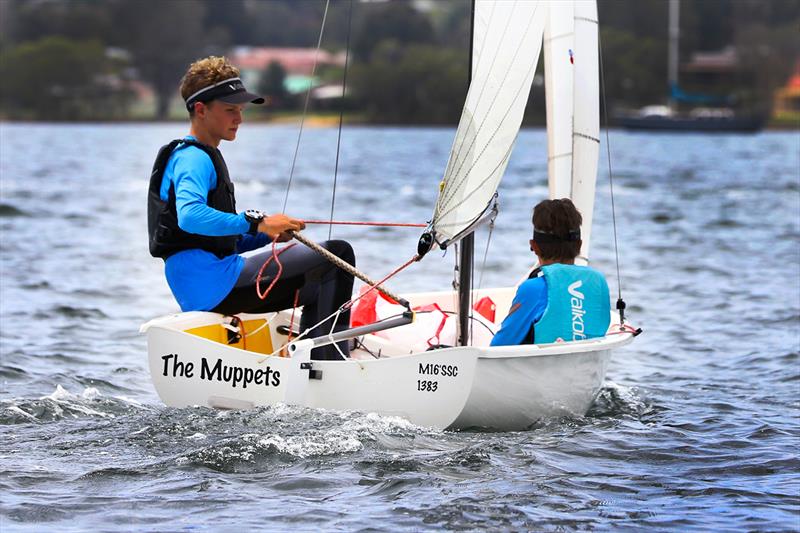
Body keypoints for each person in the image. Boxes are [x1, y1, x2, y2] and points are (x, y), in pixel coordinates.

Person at [147, 56, 355, 360]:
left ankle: (311, 364)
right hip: (213, 284)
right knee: (337, 255)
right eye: (230, 110)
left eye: (241, 111)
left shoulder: (198, 155)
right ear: (201, 110)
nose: (239, 119)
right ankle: (329, 369)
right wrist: (257, 223)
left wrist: (269, 234)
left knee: (316, 285)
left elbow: (217, 239)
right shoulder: (194, 159)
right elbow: (190, 217)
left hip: (206, 281)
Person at [490, 198, 610, 346]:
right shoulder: (598, 282)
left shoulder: (533, 289)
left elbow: (499, 346)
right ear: (579, 245)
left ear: (534, 246)